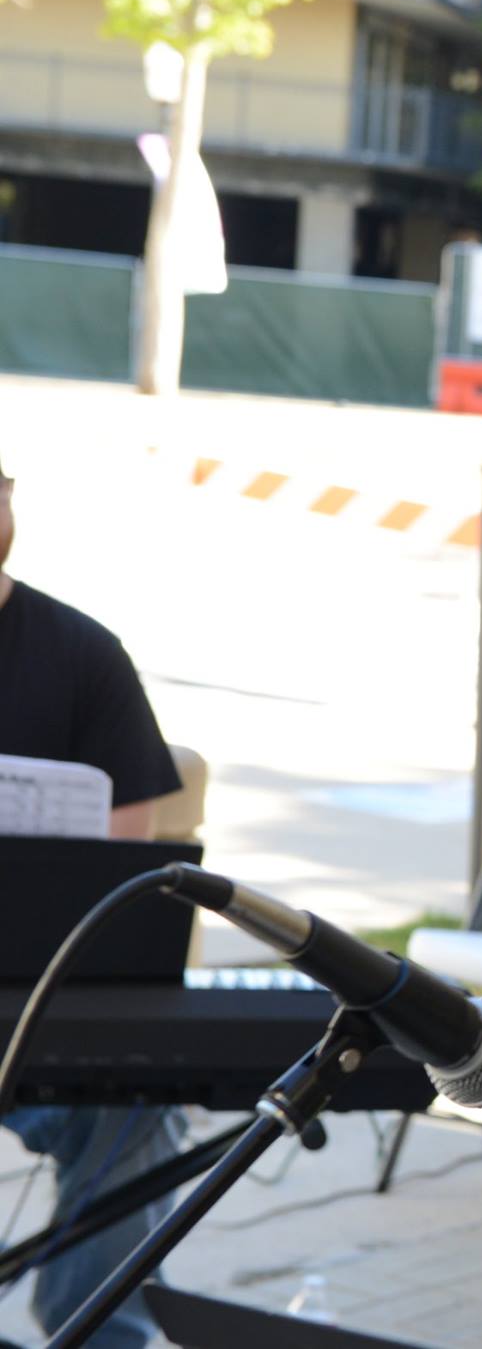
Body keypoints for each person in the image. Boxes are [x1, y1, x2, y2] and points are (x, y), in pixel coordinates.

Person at [0, 452, 189, 1349]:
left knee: (138, 1106)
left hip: (38, 1006)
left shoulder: (83, 655)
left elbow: (119, 886)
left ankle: (93, 1340)